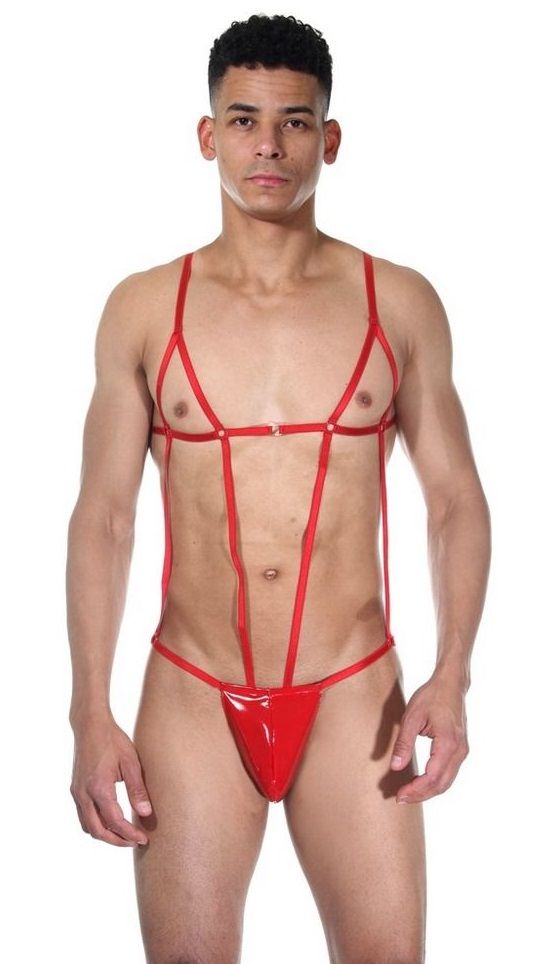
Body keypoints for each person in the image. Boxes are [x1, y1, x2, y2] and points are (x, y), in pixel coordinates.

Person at [66, 13, 491, 963]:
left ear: (329, 139)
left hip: (353, 691)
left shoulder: (399, 300)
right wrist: (89, 710)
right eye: (245, 120)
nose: (269, 145)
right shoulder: (143, 307)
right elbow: (104, 518)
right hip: (193, 691)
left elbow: (455, 500)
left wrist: (453, 674)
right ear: (207, 135)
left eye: (295, 122)